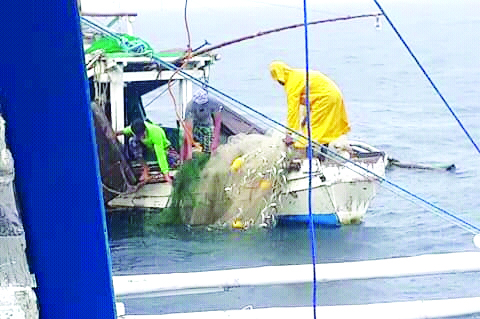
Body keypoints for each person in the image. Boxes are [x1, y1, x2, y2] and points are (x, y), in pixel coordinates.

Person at [269, 61, 351, 154]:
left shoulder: (292, 83)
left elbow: (293, 111)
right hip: (333, 96)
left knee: (312, 131)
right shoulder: (296, 75)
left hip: (325, 99)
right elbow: (311, 95)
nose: (279, 82)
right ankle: (322, 155)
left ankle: (310, 157)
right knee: (324, 129)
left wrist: (290, 133)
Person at [116, 119, 173, 183]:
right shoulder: (133, 129)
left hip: (163, 148)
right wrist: (115, 134)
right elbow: (124, 131)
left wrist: (166, 176)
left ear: (145, 130)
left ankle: (165, 170)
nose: (141, 137)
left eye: (142, 135)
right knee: (132, 141)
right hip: (147, 147)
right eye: (139, 136)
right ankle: (145, 169)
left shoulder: (155, 133)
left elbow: (161, 155)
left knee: (173, 161)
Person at [181, 88, 223, 161]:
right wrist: (190, 149)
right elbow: (188, 128)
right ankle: (184, 160)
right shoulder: (190, 106)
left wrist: (215, 140)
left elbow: (217, 122)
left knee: (208, 146)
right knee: (184, 138)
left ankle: (208, 158)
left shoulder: (214, 103)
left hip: (207, 124)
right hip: (195, 124)